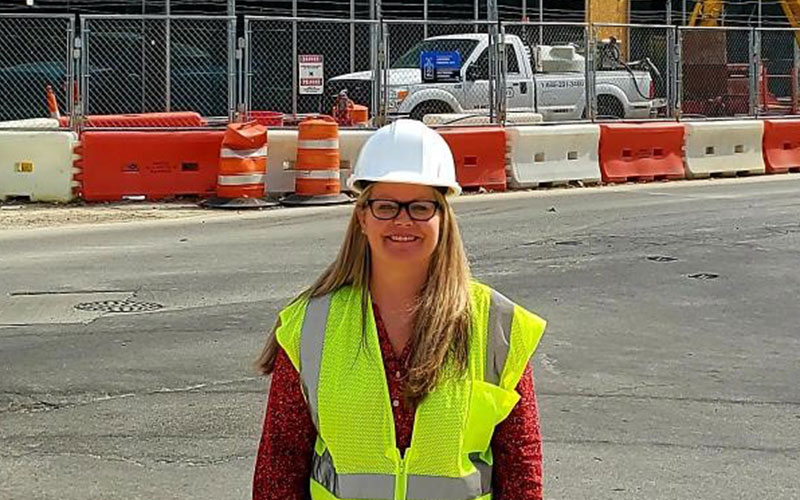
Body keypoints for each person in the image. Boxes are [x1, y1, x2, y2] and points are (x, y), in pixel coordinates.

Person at [253, 119, 547, 500]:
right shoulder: (309, 326)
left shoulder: (497, 327)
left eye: (421, 207)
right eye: (386, 206)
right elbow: (279, 467)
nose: (403, 220)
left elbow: (522, 472)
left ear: (443, 217)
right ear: (362, 217)